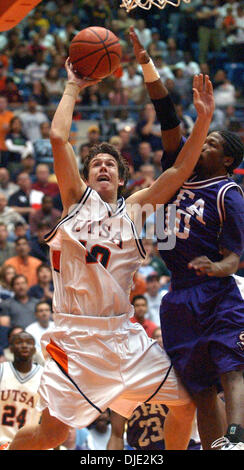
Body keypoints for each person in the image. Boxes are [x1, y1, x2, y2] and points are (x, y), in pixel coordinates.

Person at [8, 47, 214, 450]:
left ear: (121, 178)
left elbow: (176, 172)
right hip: (76, 339)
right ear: (86, 176)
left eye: (109, 164)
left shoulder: (135, 208)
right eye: (95, 164)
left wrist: (203, 120)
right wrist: (72, 86)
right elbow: (57, 136)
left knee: (186, 403)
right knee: (51, 436)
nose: (102, 166)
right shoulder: (75, 200)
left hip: (124, 338)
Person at [130, 28, 244, 450]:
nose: (202, 143)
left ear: (226, 159)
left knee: (233, 366)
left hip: (215, 290)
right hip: (178, 297)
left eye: (210, 141)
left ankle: (236, 437)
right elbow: (166, 115)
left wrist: (218, 267)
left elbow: (235, 257)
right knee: (197, 388)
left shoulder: (229, 193)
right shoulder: (176, 176)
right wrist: (145, 63)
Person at [0, 331, 43, 445]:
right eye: (19, 342)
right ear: (11, 349)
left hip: (29, 445)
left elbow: (51, 419)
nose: (24, 345)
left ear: (34, 349)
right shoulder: (2, 370)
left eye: (29, 343)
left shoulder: (44, 377)